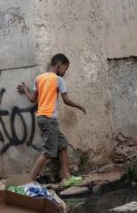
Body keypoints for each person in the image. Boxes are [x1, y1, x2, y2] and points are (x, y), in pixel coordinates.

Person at [17, 54, 86, 187]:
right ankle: (30, 180)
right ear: (59, 65)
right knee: (49, 151)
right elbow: (66, 100)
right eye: (65, 69)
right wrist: (79, 106)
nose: (65, 72)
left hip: (42, 118)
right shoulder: (58, 80)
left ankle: (67, 177)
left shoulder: (39, 78)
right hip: (49, 119)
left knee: (63, 144)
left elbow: (33, 99)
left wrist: (26, 89)